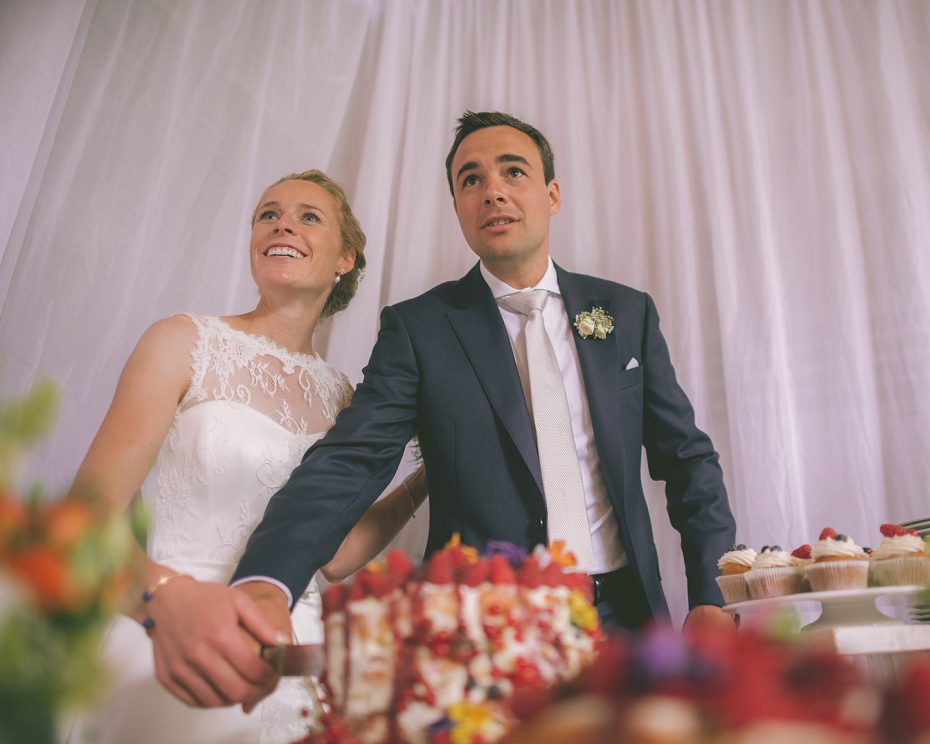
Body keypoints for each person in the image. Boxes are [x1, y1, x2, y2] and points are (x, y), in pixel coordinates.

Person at [160, 111, 737, 711]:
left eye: (513, 172)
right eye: (470, 179)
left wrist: (712, 595)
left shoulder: (627, 313)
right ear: (459, 207)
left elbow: (688, 459)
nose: (492, 190)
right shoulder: (419, 329)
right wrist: (266, 579)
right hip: (479, 631)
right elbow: (352, 460)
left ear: (551, 194)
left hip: (628, 620)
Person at [64, 170, 427, 744]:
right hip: (177, 634)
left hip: (298, 651)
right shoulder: (182, 341)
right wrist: (164, 602)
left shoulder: (345, 398)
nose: (283, 223)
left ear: (345, 258)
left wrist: (429, 477)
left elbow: (332, 556)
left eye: (309, 216)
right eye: (268, 214)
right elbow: (83, 522)